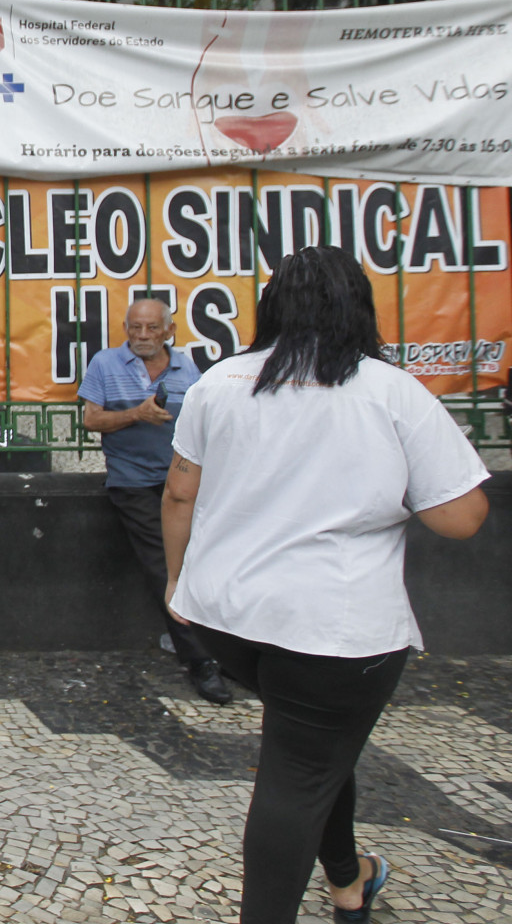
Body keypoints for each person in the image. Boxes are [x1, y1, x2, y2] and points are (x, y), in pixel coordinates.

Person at [164, 246, 490, 924]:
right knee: (298, 773)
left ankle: (349, 880)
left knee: (307, 751)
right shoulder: (390, 390)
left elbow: (179, 493)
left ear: (272, 306)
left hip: (228, 617)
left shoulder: (220, 382)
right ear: (358, 308)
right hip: (334, 630)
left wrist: (177, 583)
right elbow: (460, 517)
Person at [80, 297, 229, 705]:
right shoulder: (106, 364)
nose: (142, 336)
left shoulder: (187, 369)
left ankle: (222, 650)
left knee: (204, 560)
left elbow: (203, 423)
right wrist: (136, 414)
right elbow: (91, 419)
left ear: (168, 331)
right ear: (125, 329)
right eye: (135, 327)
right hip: (133, 482)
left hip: (182, 480)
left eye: (151, 328)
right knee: (165, 565)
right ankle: (200, 660)